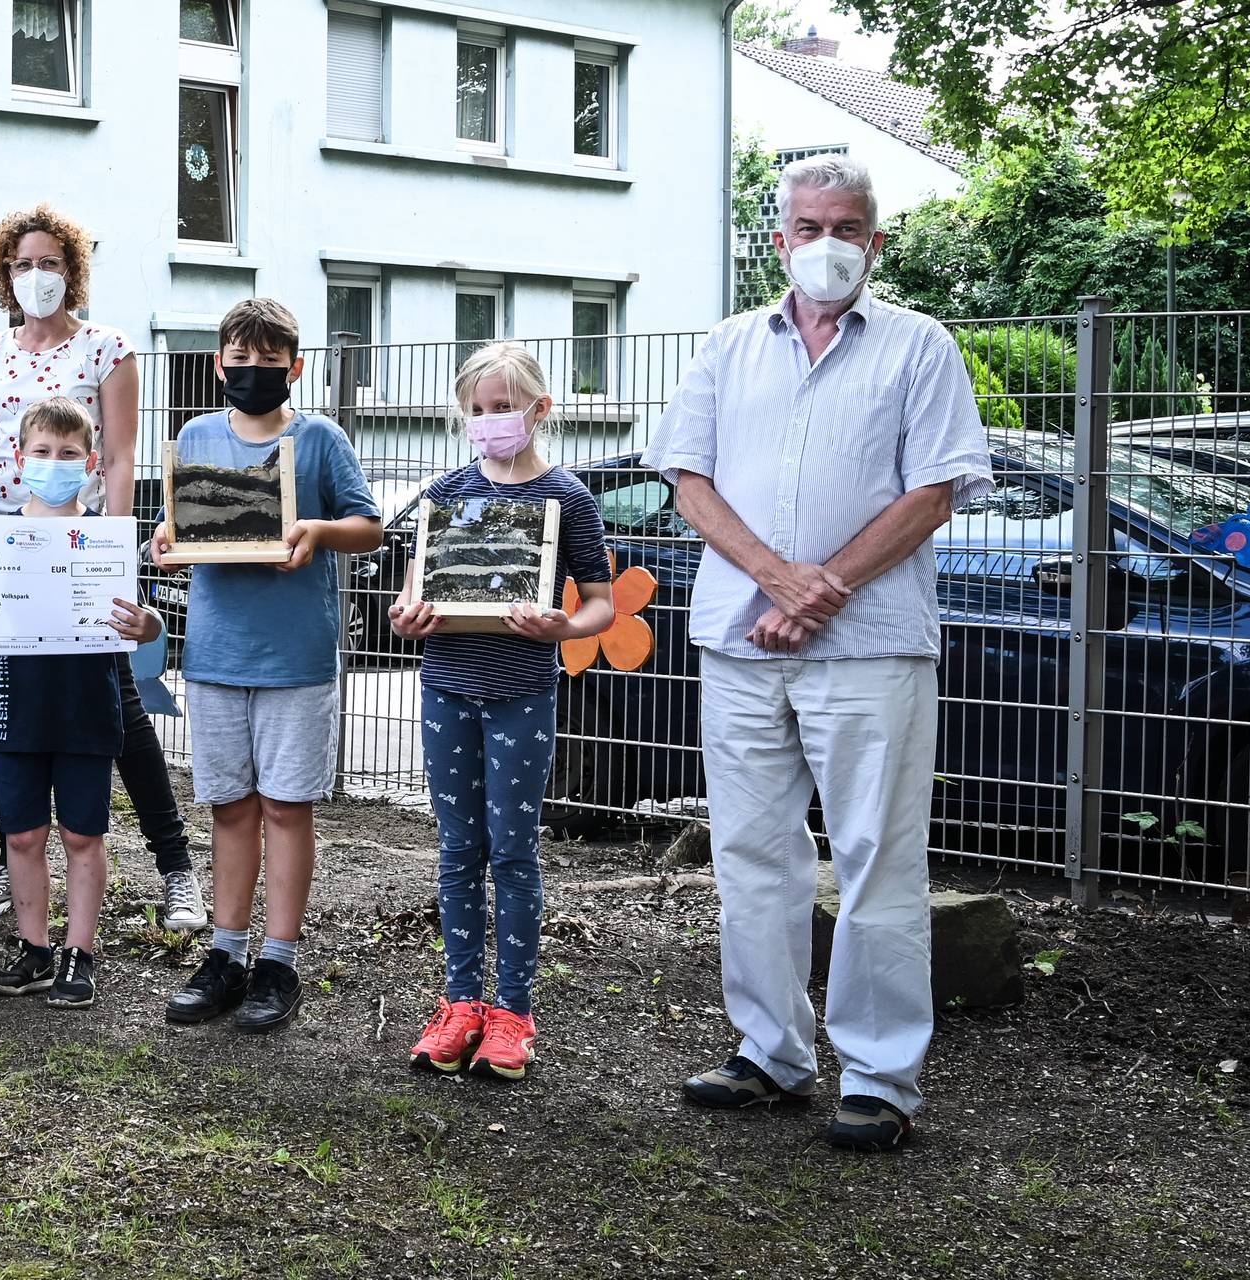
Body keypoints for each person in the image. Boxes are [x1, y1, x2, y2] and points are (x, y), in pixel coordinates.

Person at [643, 154, 988, 1152]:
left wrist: (822, 586)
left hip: (869, 646)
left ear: (874, 241)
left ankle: (878, 1078)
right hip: (739, 640)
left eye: (845, 228)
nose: (825, 244)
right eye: (808, 227)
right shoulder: (726, 346)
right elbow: (688, 479)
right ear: (780, 238)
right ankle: (770, 1052)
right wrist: (778, 578)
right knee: (752, 852)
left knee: (877, 856)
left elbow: (934, 490)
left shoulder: (920, 346)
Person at [0, 204, 200, 934]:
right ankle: (13, 856)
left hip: (79, 548)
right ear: (5, 273)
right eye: (23, 264)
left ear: (73, 271)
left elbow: (119, 456)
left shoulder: (106, 348)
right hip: (1, 549)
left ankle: (175, 865)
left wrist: (114, 553)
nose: (37, 275)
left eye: (50, 263)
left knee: (117, 703)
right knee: (8, 704)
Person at [387, 343, 617, 1080]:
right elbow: (412, 595)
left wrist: (564, 627)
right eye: (478, 410)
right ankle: (460, 1004)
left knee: (513, 852)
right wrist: (405, 619)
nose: (489, 421)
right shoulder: (445, 494)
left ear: (539, 410)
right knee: (458, 852)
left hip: (523, 694)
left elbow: (602, 604)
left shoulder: (568, 498)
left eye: (503, 408)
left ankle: (512, 1013)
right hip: (447, 689)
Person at [154, 297, 383, 1034]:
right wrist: (165, 538)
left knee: (286, 808)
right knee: (229, 807)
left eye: (269, 359)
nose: (254, 369)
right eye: (240, 358)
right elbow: (177, 523)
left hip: (296, 658)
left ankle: (279, 960)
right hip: (214, 655)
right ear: (219, 364)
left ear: (296, 366)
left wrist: (317, 530)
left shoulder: (320, 439)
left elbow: (369, 527)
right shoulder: (194, 434)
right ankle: (225, 953)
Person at [0, 398, 162, 1009]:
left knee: (83, 836)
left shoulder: (109, 539)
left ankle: (81, 953)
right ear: (18, 456)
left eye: (69, 453)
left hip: (88, 707)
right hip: (14, 705)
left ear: (91, 462)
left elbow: (146, 620)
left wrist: (149, 626)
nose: (55, 462)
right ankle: (33, 949)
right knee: (23, 835)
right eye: (42, 451)